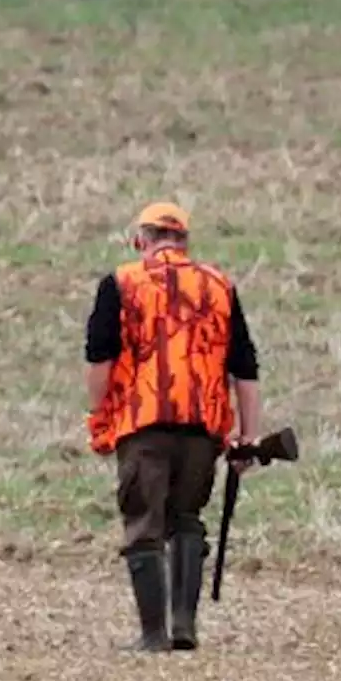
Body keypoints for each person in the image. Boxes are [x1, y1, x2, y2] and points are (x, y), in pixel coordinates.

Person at [85, 202, 262, 653]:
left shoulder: (121, 283)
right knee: (187, 520)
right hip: (203, 427)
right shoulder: (220, 285)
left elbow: (99, 356)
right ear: (183, 242)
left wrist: (98, 413)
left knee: (144, 523)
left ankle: (152, 635)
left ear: (142, 239)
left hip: (142, 424)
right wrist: (249, 434)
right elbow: (244, 366)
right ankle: (184, 625)